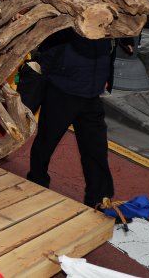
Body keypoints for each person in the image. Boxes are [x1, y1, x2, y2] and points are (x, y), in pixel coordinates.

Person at [26, 29, 116, 208]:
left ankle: (99, 199)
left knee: (96, 148)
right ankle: (36, 184)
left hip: (92, 92)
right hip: (63, 88)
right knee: (46, 142)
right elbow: (50, 36)